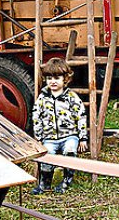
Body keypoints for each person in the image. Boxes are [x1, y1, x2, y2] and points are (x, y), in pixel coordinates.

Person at [31, 57, 87, 193]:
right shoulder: (43, 98)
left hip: (69, 136)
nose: (53, 81)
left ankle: (66, 181)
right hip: (49, 137)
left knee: (70, 149)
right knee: (47, 154)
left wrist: (83, 138)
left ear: (65, 79)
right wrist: (38, 137)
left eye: (57, 78)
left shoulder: (71, 97)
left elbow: (80, 116)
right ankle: (45, 183)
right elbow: (36, 117)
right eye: (49, 78)